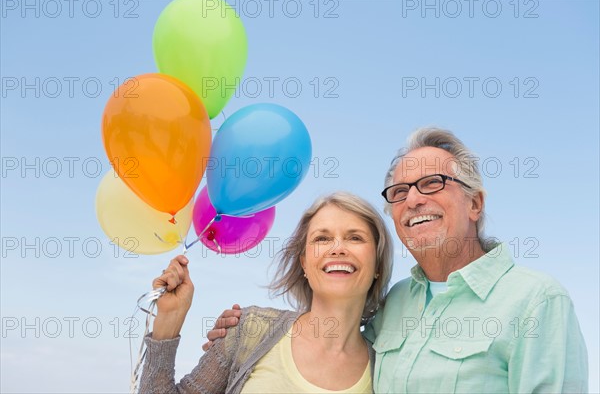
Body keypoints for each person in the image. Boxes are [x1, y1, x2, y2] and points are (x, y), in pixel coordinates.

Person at [208, 127, 589, 393]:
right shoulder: (395, 303)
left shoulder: (537, 302)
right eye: (400, 191)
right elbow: (329, 337)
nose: (413, 200)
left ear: (475, 203)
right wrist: (249, 330)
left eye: (432, 183)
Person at [139, 192, 394, 393]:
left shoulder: (386, 369)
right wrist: (168, 324)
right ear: (304, 263)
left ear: (377, 266)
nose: (337, 248)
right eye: (322, 239)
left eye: (355, 238)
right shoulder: (251, 329)